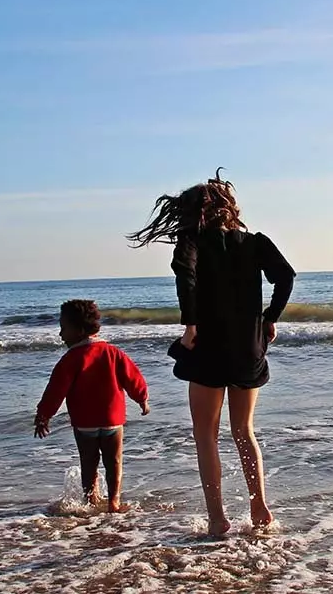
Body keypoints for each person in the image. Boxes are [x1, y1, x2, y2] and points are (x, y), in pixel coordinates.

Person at [128, 170, 295, 537]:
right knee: (243, 430)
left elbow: (184, 275)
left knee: (205, 433)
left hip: (208, 345)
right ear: (228, 208)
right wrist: (269, 318)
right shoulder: (256, 243)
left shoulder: (192, 242)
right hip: (248, 344)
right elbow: (286, 277)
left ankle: (217, 518)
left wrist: (190, 325)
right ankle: (258, 505)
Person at [33, 299, 150, 513]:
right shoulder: (114, 353)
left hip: (85, 422)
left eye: (63, 328)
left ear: (78, 330)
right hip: (112, 420)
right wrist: (142, 399)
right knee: (114, 461)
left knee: (89, 463)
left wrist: (43, 416)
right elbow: (133, 378)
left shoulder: (70, 359)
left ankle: (91, 501)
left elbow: (55, 391)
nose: (60, 335)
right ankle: (114, 501)